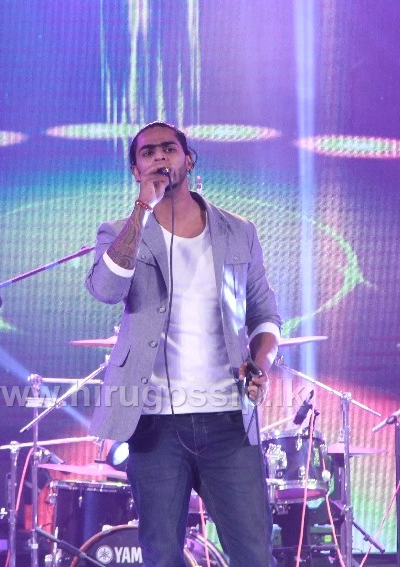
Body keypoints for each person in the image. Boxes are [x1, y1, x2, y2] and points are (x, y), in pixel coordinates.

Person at [85, 121, 281, 566]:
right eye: (147, 152)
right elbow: (106, 289)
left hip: (228, 421)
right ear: (135, 170)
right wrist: (143, 209)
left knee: (253, 555)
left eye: (169, 149)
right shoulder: (118, 232)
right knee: (161, 556)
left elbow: (265, 315)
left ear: (188, 160)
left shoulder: (238, 231)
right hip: (154, 424)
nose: (159, 157)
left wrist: (261, 362)